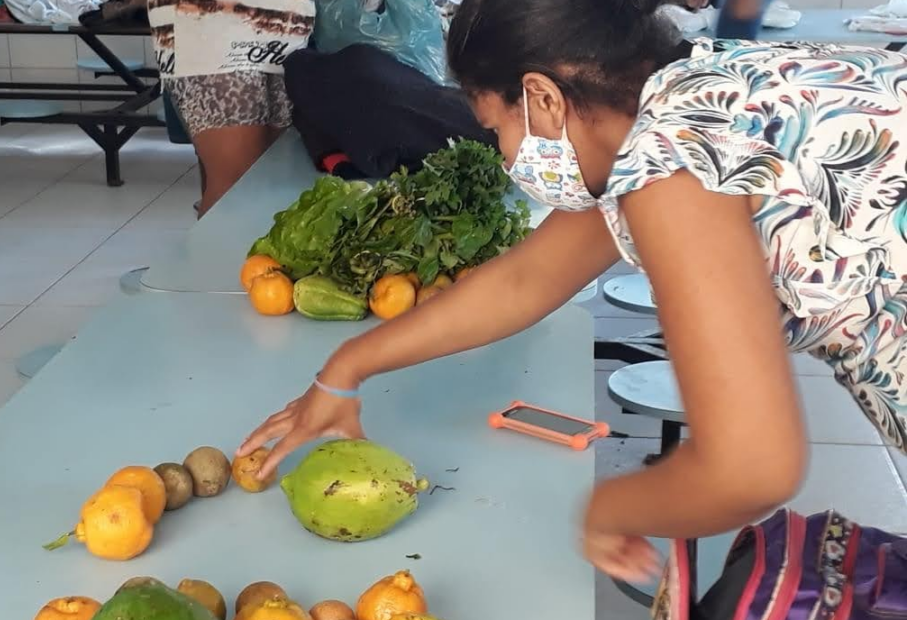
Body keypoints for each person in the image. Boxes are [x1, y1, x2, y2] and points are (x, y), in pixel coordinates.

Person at [239, 0, 907, 583]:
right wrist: (345, 372)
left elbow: (750, 469)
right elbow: (527, 278)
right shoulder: (695, 90)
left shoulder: (669, 168)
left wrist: (608, 509)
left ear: (545, 98)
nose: (502, 157)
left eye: (496, 128)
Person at [147, 0, 315, 217]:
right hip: (207, 17)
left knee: (273, 172)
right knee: (235, 182)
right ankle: (220, 251)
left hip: (288, 17)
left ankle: (249, 251)